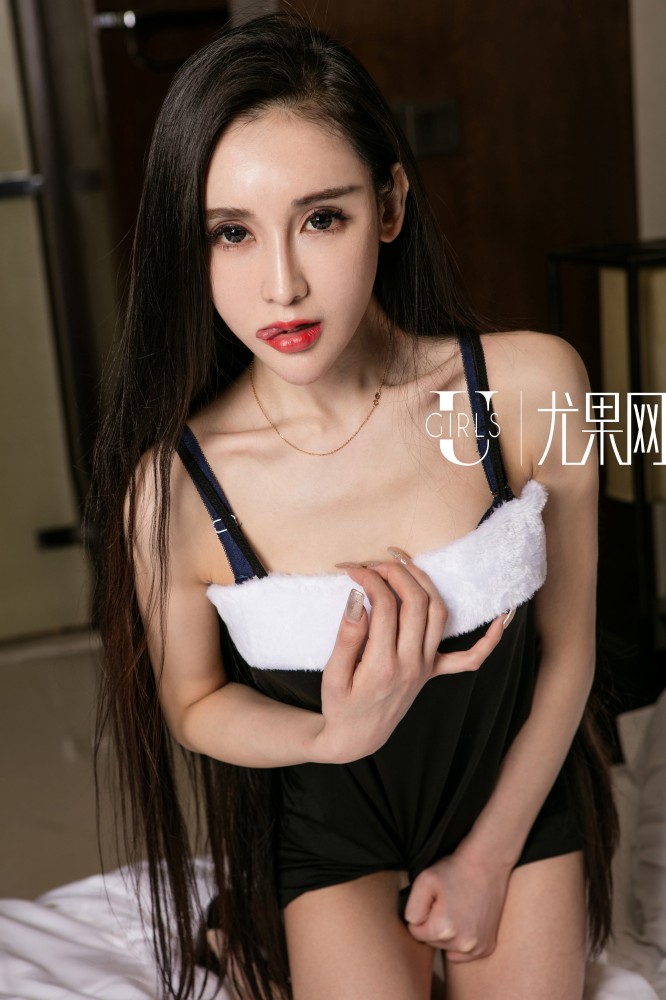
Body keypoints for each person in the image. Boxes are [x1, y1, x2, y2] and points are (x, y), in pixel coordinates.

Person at [89, 13, 618, 1000]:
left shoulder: (532, 388)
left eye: (321, 218)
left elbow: (572, 649)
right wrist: (332, 736)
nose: (280, 284)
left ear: (389, 204)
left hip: (513, 797)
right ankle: (249, 933)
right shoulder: (175, 486)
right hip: (333, 827)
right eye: (231, 233)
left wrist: (488, 856)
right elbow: (190, 703)